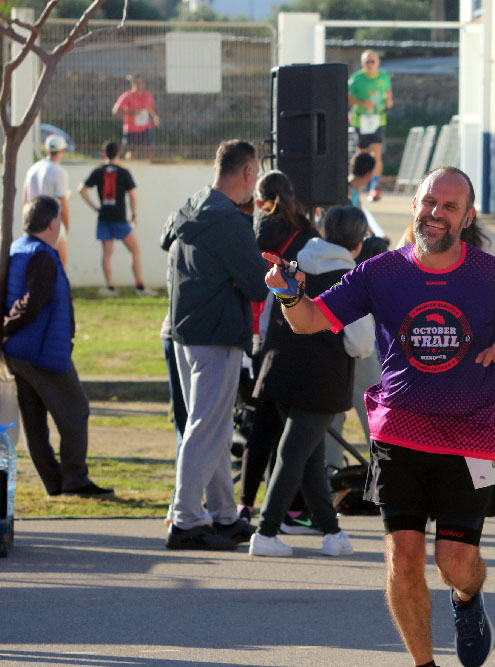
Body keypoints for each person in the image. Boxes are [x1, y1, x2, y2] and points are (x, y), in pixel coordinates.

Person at [263, 166, 495, 667]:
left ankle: (467, 599)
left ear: (467, 217)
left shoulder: (489, 275)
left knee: (456, 564)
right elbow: (308, 320)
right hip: (399, 433)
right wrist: (289, 292)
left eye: (448, 206)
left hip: (470, 437)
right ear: (414, 204)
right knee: (402, 558)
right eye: (428, 202)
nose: (435, 214)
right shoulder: (382, 272)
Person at [248, 205, 375, 558]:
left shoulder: (296, 265)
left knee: (308, 457)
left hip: (281, 371)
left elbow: (271, 315)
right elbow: (361, 342)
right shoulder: (350, 279)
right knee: (293, 454)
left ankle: (332, 532)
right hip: (322, 380)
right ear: (359, 242)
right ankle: (266, 531)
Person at [162, 139, 269, 550]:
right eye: (255, 174)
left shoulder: (192, 205)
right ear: (246, 173)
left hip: (186, 331)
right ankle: (186, 518)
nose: (255, 183)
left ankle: (224, 515)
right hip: (218, 335)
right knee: (207, 428)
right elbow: (258, 283)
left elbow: (165, 242)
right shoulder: (228, 220)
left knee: (215, 427)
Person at [2, 196, 113, 498]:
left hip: (18, 350)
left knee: (34, 418)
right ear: (53, 223)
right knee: (76, 411)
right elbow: (31, 303)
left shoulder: (17, 249)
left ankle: (53, 482)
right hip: (42, 350)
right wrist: (6, 326)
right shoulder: (42, 255)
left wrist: (3, 333)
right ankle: (74, 480)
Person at [237, 170, 320, 525]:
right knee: (297, 431)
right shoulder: (309, 234)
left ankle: (244, 504)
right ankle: (293, 507)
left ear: (258, 199)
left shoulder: (249, 231)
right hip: (295, 330)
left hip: (253, 332)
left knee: (261, 425)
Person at [78, 141, 154, 297]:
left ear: (104, 154)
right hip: (120, 219)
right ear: (118, 154)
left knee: (107, 253)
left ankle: (110, 287)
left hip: (104, 218)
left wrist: (95, 207)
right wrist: (133, 216)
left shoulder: (98, 171)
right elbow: (132, 196)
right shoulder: (123, 172)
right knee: (134, 250)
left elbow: (82, 190)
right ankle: (140, 287)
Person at [348, 50, 392, 202]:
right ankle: (359, 185)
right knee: (362, 154)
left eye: (372, 61)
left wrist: (389, 101)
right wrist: (362, 103)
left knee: (377, 153)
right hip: (361, 120)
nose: (370, 64)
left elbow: (388, 92)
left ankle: (374, 186)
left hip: (377, 120)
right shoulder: (356, 79)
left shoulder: (384, 77)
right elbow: (348, 99)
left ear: (378, 63)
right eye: (367, 62)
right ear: (362, 63)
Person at [23, 135, 71, 270]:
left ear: (46, 150)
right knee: (59, 271)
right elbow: (63, 206)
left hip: (33, 225)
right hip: (52, 224)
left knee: (36, 271)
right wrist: (66, 228)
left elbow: (25, 200)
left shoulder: (33, 169)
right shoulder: (59, 171)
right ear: (62, 151)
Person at [112, 73, 159, 160]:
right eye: (136, 83)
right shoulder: (127, 96)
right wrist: (132, 113)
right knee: (131, 153)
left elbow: (152, 107)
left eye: (141, 83)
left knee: (150, 151)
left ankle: (149, 169)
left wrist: (155, 116)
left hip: (146, 128)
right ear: (132, 84)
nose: (139, 85)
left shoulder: (148, 95)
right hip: (131, 130)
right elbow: (115, 111)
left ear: (144, 84)